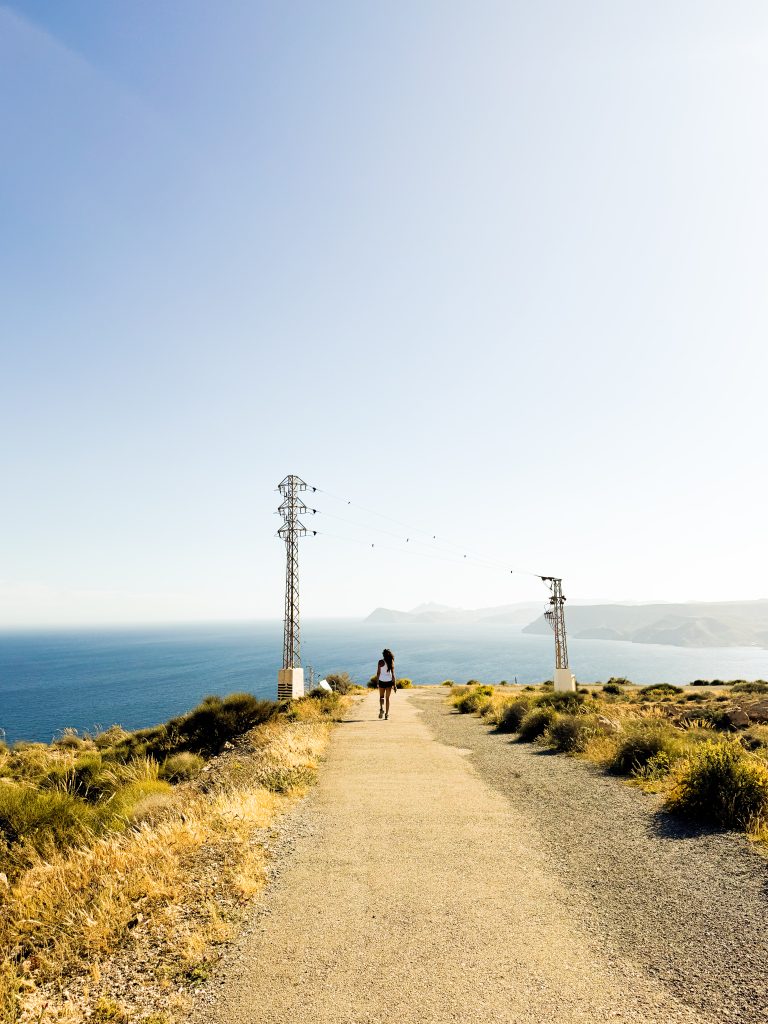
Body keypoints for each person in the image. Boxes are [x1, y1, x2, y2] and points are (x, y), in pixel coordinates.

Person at [376, 648, 397, 720]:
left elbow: (378, 673)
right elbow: (393, 674)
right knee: (387, 699)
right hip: (389, 681)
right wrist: (395, 685)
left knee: (381, 697)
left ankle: (381, 709)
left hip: (381, 681)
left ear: (383, 655)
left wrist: (377, 682)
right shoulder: (391, 661)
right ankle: (387, 714)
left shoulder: (380, 662)